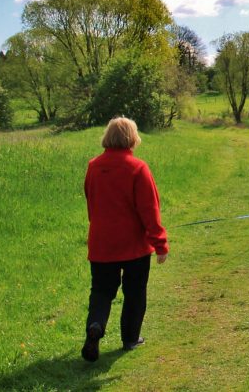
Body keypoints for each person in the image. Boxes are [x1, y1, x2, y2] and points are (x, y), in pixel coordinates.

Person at [81, 117, 168, 362]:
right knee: (135, 292)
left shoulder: (93, 166)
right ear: (132, 137)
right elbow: (150, 209)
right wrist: (160, 243)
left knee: (101, 291)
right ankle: (130, 339)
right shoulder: (138, 168)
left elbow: (91, 201)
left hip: (101, 243)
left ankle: (95, 326)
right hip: (134, 247)